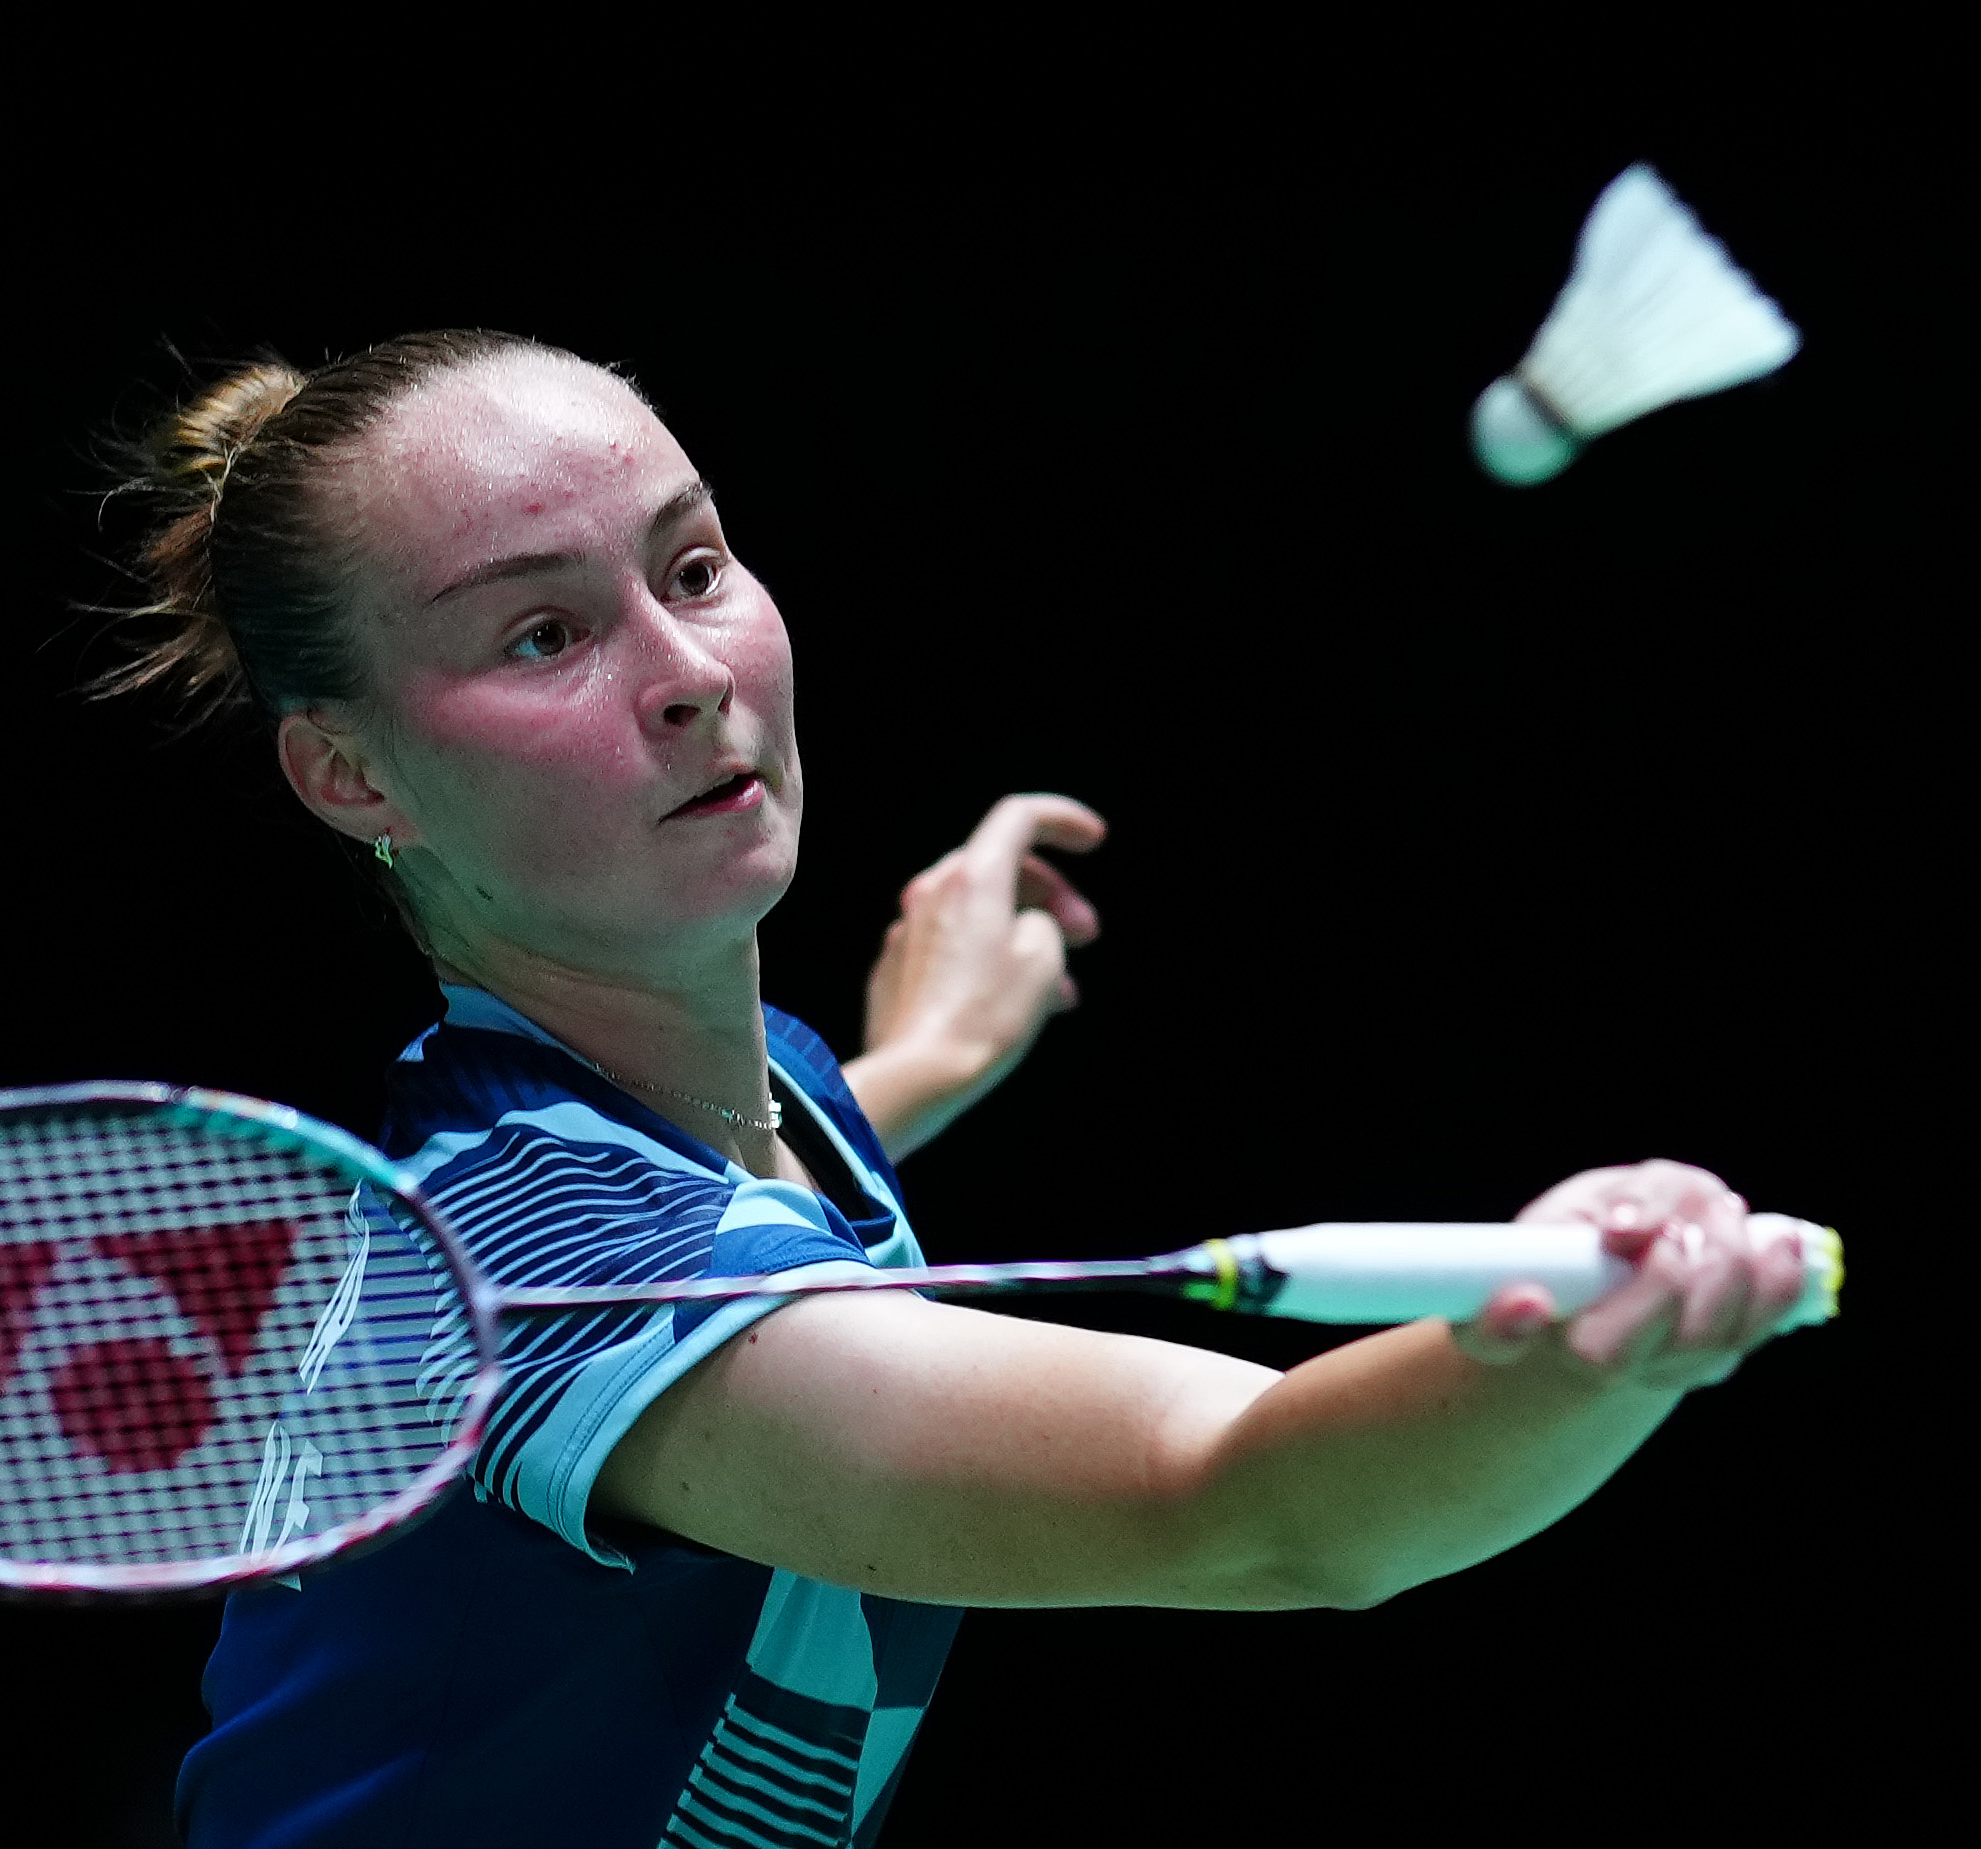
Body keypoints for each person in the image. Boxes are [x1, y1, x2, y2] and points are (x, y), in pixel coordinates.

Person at [115, 330, 1808, 1848]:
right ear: (349, 771)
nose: (687, 670)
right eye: (542, 631)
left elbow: (738, 1203)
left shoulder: (680, 1096)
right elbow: (1251, 1509)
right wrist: (1588, 1354)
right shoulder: (548, 1262)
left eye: (691, 566)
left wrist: (918, 1059)